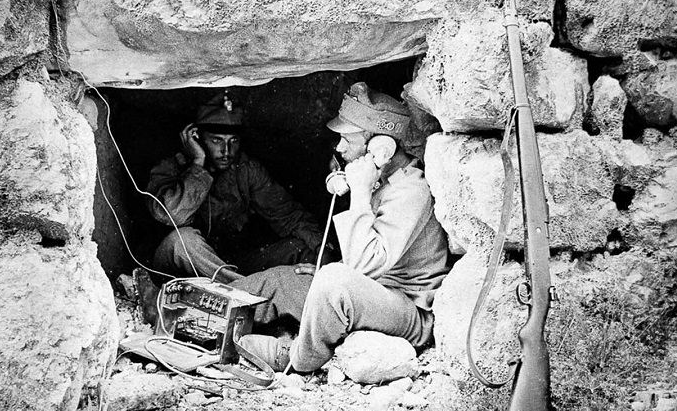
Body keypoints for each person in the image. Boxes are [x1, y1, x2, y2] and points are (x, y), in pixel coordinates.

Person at [234, 82, 451, 373]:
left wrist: (359, 193)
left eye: (347, 138)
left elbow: (365, 266)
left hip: (408, 309)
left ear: (380, 145)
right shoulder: (380, 180)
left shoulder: (412, 190)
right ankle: (202, 313)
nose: (339, 146)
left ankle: (298, 358)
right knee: (279, 281)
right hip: (370, 294)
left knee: (333, 279)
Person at [146, 92, 323, 283]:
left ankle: (239, 291)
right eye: (216, 140)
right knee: (183, 240)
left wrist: (323, 248)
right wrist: (198, 164)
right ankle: (245, 294)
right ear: (197, 138)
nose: (226, 151)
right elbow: (170, 215)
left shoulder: (246, 170)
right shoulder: (171, 167)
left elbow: (288, 215)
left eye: (233, 141)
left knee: (299, 248)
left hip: (228, 265)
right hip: (178, 269)